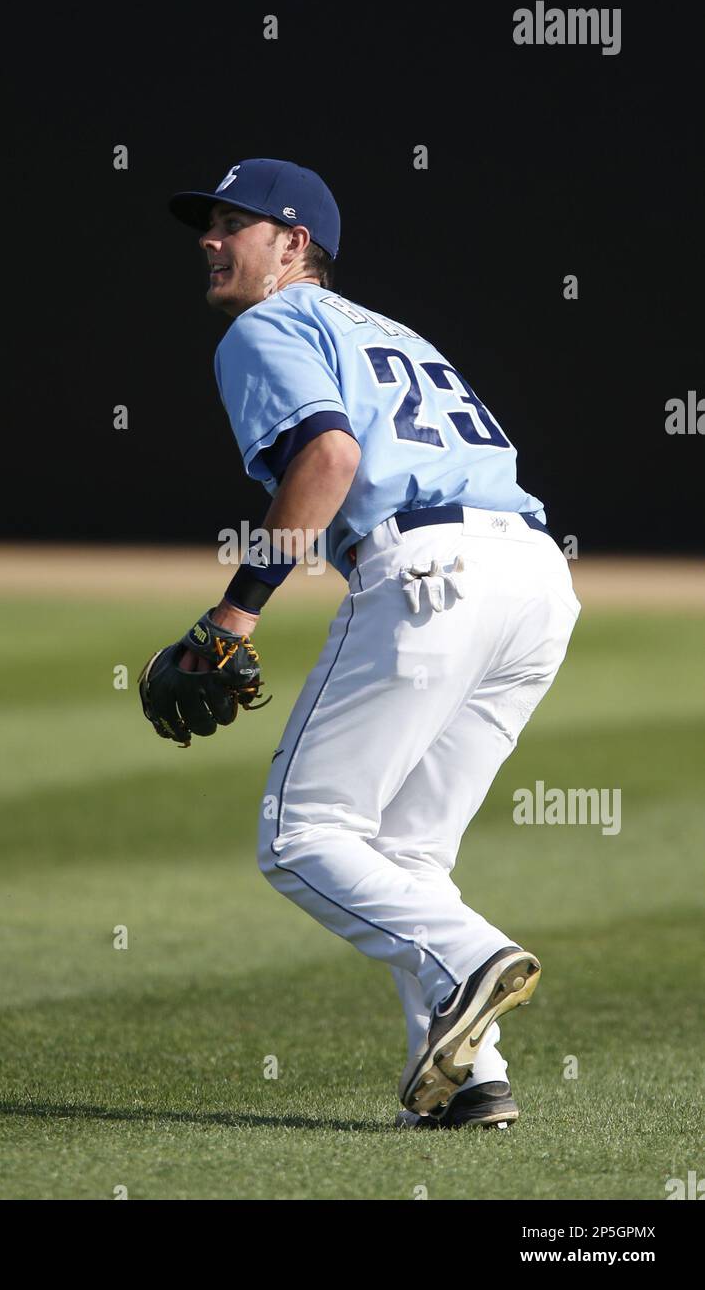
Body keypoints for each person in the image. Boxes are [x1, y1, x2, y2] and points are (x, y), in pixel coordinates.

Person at [145, 157, 580, 1129]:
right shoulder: (392, 331)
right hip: (536, 579)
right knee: (405, 854)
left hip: (429, 573)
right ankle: (473, 1085)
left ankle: (472, 957)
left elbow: (329, 454)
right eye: (206, 225)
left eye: (233, 223)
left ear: (293, 244)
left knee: (300, 837)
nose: (210, 241)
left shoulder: (268, 322)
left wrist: (234, 614)